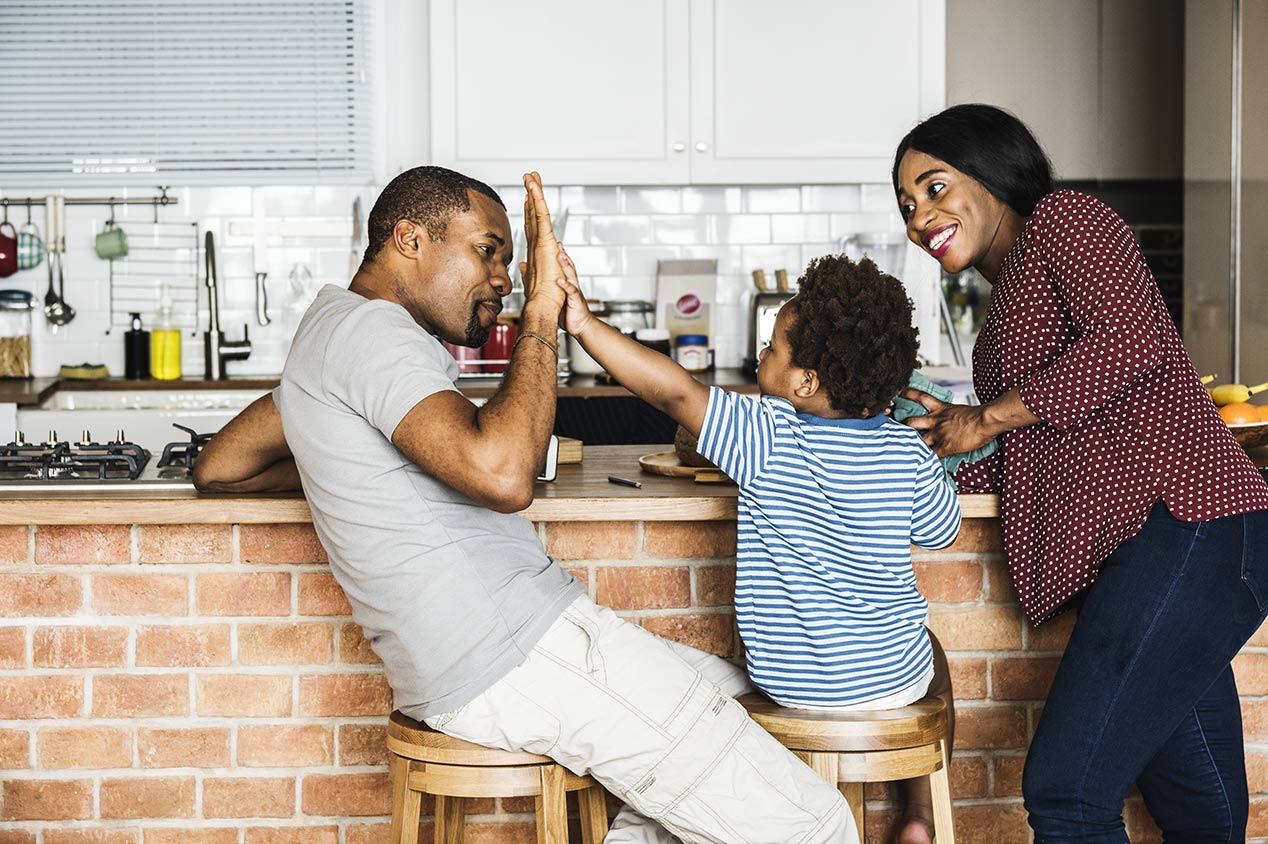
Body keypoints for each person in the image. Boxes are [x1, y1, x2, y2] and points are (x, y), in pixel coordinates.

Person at [192, 165, 858, 844]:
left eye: (512, 262)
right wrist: (544, 310)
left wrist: (351, 467)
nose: (504, 279)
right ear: (410, 239)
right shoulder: (373, 335)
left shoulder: (331, 335)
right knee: (820, 825)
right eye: (487, 250)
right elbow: (505, 475)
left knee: (736, 693)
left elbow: (220, 467)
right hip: (516, 651)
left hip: (488, 656)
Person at [892, 103, 1268, 841]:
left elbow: (1131, 341)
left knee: (1066, 792)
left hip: (1187, 526)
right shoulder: (1002, 311)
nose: (919, 217)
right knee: (1201, 810)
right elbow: (1048, 450)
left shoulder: (1065, 218)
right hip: (1156, 556)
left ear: (992, 168)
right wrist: (932, 446)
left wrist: (988, 417)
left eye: (934, 188)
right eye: (907, 206)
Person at [555, 250, 961, 844]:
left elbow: (673, 393)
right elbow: (942, 530)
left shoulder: (766, 434)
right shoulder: (908, 453)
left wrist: (585, 325)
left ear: (805, 382)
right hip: (891, 688)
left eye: (771, 348)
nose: (761, 355)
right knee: (932, 651)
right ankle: (920, 813)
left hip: (791, 688)